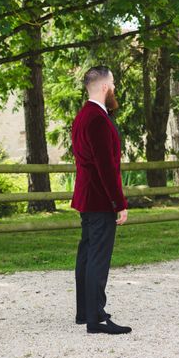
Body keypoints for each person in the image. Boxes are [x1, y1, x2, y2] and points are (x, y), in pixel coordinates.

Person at [71, 66, 131, 335]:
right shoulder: (97, 118)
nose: (115, 88)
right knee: (97, 257)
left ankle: (84, 312)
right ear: (105, 87)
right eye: (114, 83)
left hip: (87, 196)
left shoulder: (82, 116)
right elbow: (106, 167)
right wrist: (119, 203)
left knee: (86, 255)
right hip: (98, 198)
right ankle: (96, 317)